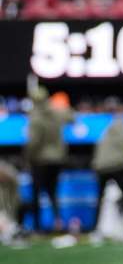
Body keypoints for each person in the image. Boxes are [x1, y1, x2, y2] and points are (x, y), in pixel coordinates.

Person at [22, 86, 71, 233]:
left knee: (36, 193)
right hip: (57, 159)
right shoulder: (57, 112)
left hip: (40, 160)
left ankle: (37, 227)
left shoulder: (35, 117)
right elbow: (72, 117)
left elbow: (33, 142)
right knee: (53, 193)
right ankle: (58, 223)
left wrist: (26, 157)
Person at [90, 97, 123, 243]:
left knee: (100, 199)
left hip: (101, 167)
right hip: (118, 166)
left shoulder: (105, 132)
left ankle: (96, 231)